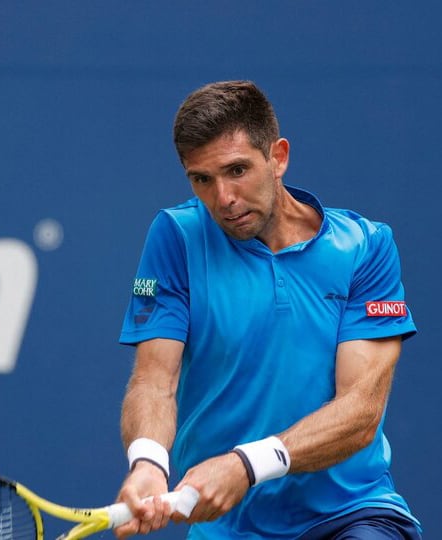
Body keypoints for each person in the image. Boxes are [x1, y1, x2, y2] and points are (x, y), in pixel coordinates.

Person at [114, 80, 421, 539]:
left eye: (237, 170)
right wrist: (148, 462)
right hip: (229, 529)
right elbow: (155, 380)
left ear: (278, 157)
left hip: (351, 513)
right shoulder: (175, 237)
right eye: (202, 179)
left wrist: (247, 465)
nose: (223, 199)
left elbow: (360, 411)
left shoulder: (365, 247)